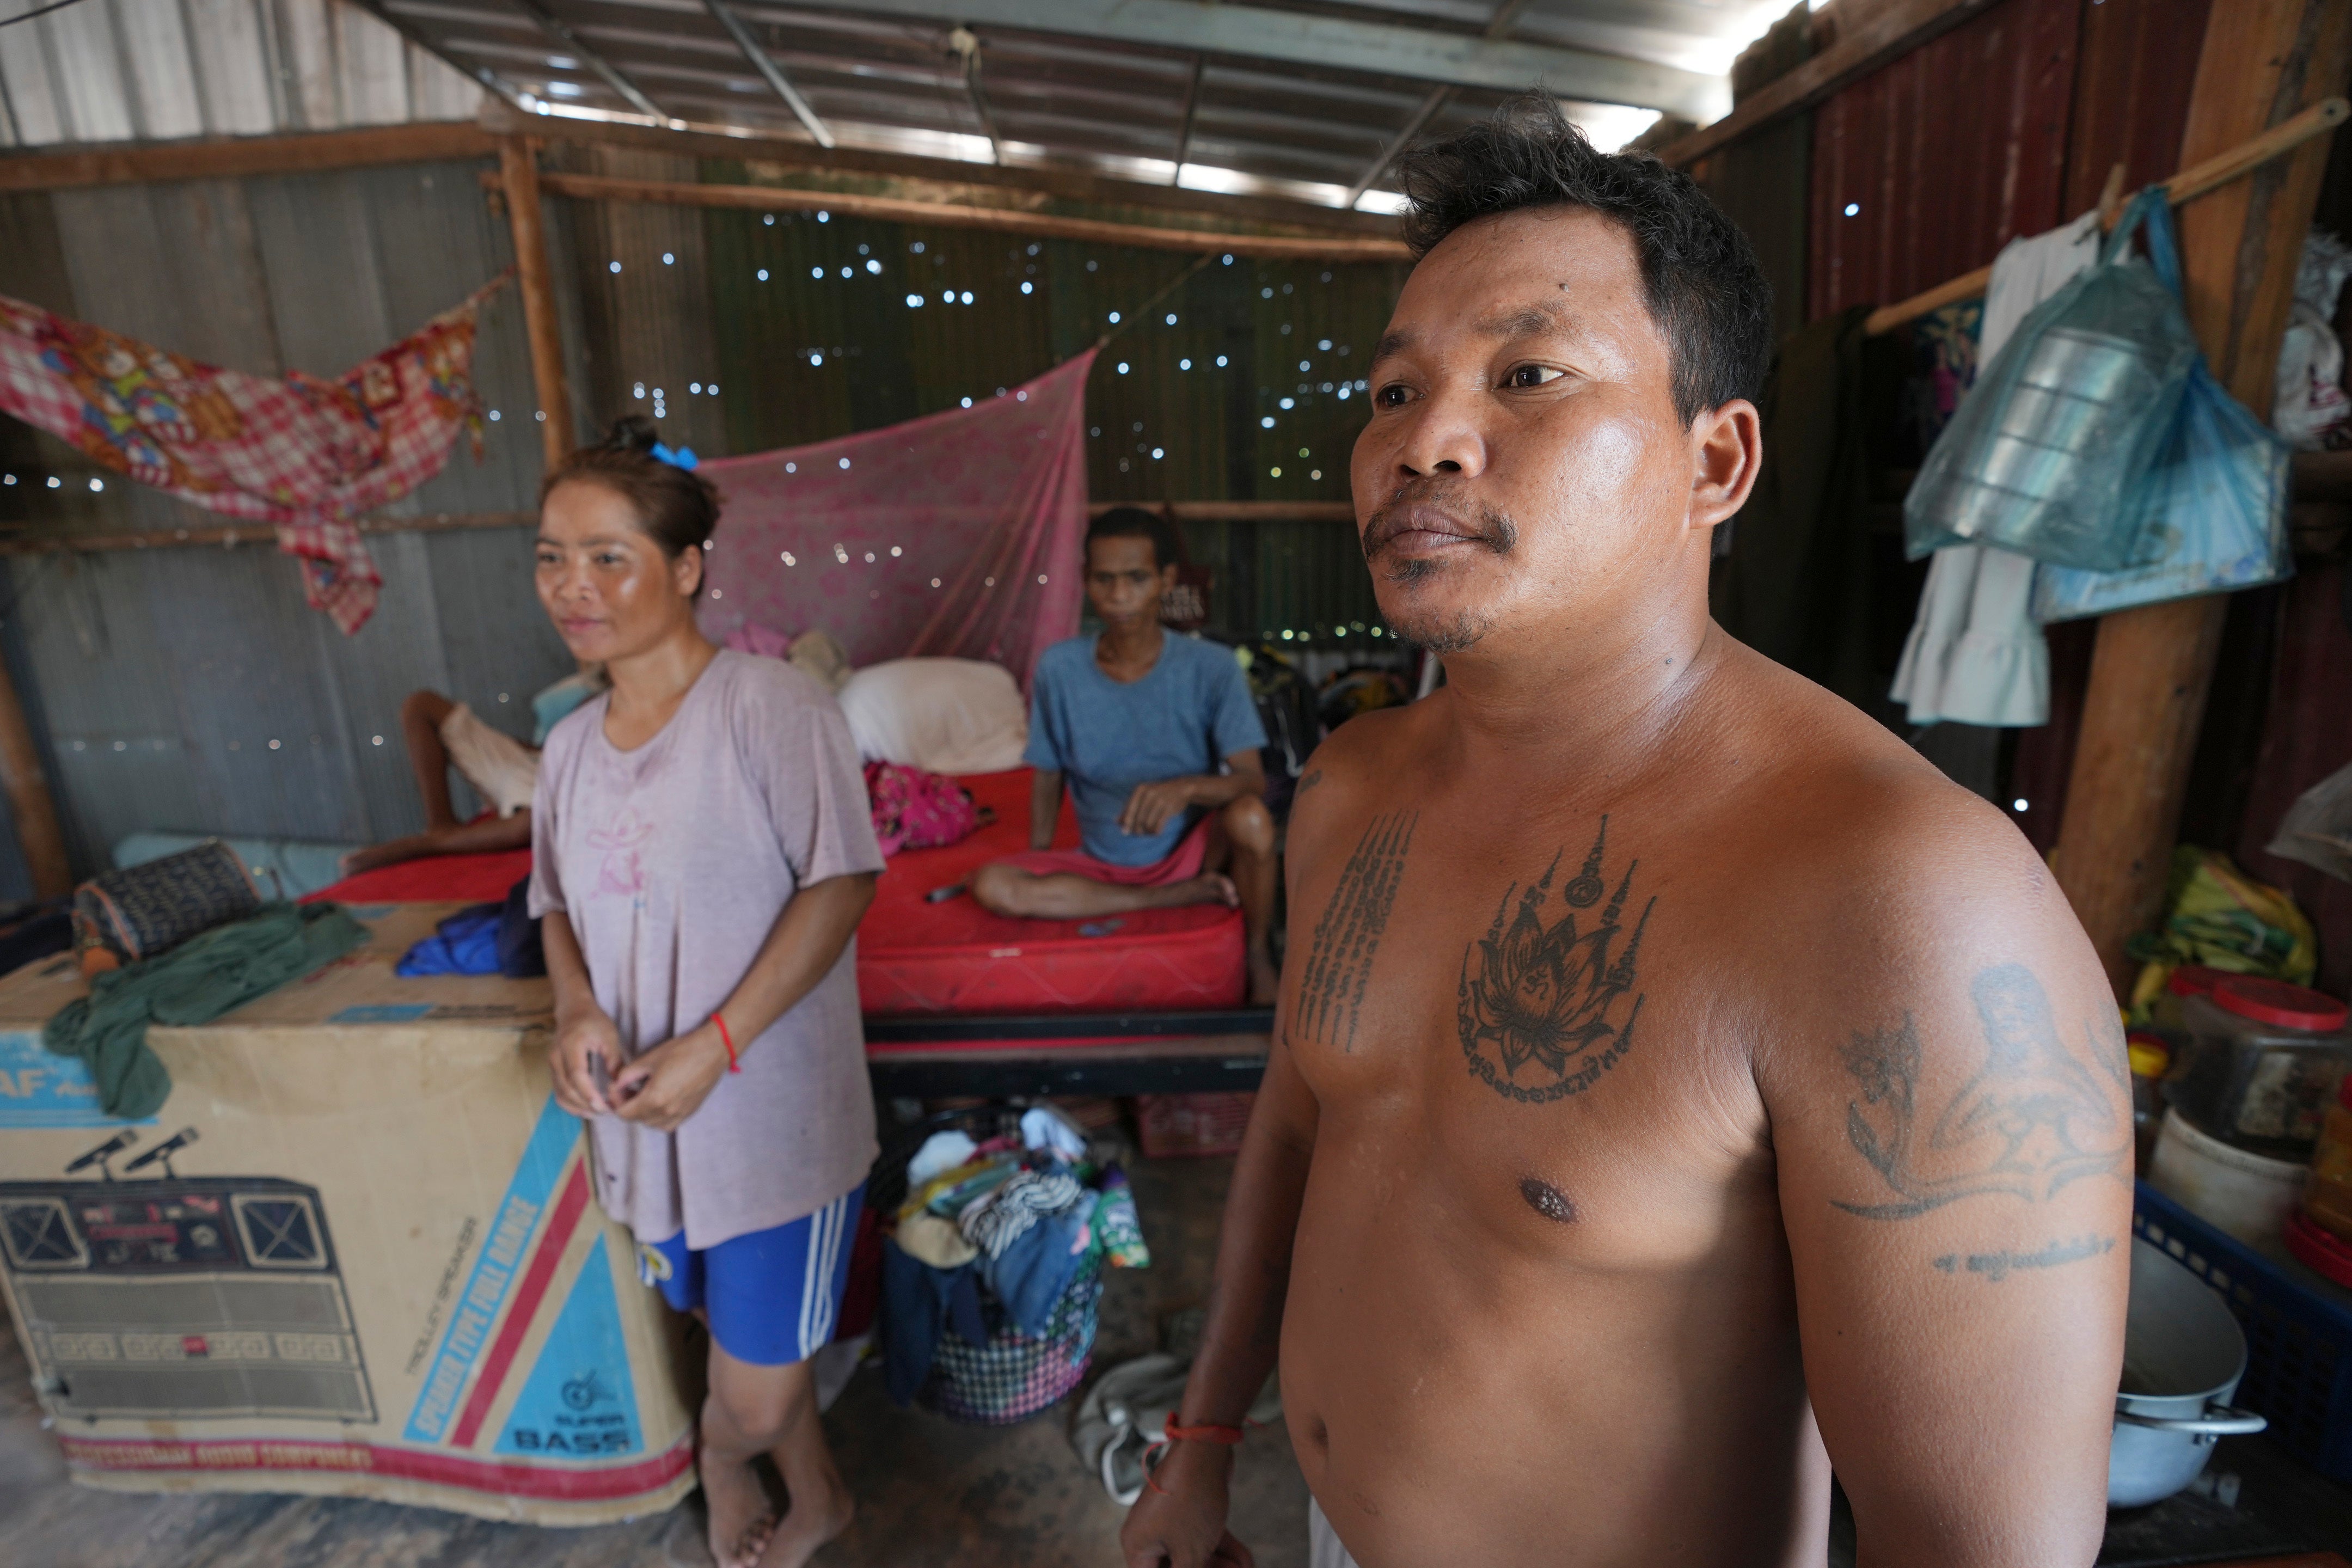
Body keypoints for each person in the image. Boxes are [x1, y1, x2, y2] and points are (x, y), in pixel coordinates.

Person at [1121, 97, 2129, 1568]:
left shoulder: (1895, 896)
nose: (1429, 444)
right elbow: (1302, 1113)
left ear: (1716, 465)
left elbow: (1989, 1548)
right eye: (1395, 393)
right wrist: (1206, 1443)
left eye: (1527, 374)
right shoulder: (1350, 786)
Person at [531, 418, 883, 1568]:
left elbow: (839, 887)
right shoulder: (572, 748)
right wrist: (577, 1008)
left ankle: (724, 1460)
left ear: (685, 570)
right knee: (728, 1328)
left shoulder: (770, 708)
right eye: (550, 557)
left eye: (607, 557)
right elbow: (555, 905)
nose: (572, 587)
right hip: (647, 1113)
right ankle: (819, 1500)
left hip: (769, 1117)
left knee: (760, 1395)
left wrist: (716, 1043)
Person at [972, 507, 1281, 1004]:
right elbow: (1048, 775)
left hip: (1193, 849)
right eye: (1105, 580)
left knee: (1251, 819)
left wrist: (1185, 788)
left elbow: (1253, 782)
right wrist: (1043, 857)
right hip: (1102, 862)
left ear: (1166, 580)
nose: (1119, 597)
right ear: (1087, 582)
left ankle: (1259, 950)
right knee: (994, 885)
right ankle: (1167, 898)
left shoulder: (1213, 668)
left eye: (1136, 578)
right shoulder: (1060, 668)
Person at [339, 671, 603, 874]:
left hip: (566, 780)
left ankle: (428, 844)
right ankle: (440, 823)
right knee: (421, 705)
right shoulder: (603, 693)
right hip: (538, 757)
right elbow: (567, 736)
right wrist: (517, 747)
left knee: (535, 822)